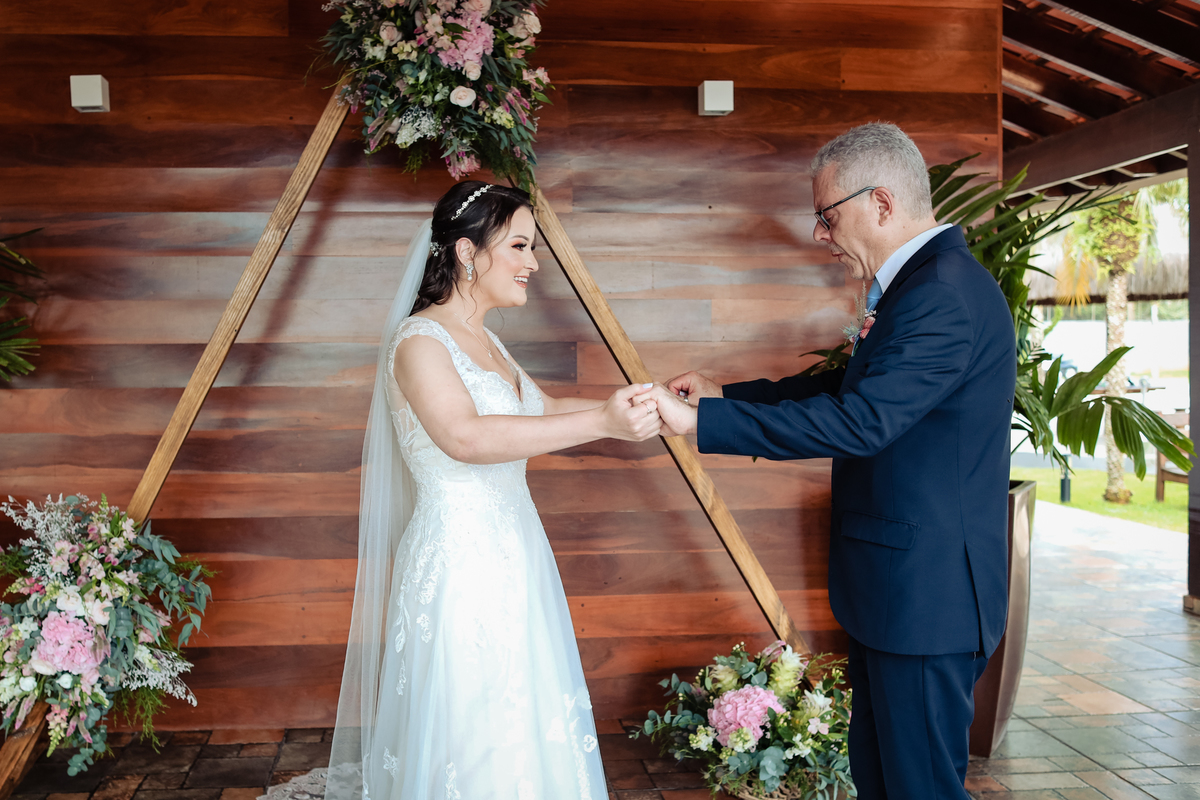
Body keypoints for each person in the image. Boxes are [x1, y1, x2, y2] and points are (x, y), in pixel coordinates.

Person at [649, 123, 1016, 800]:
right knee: (882, 782)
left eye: (827, 215)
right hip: (898, 592)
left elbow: (863, 421)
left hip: (927, 599)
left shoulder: (942, 294)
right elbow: (849, 390)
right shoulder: (920, 287)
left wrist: (705, 423)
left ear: (881, 203)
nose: (820, 234)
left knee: (920, 789)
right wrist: (726, 395)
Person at [325, 181, 662, 800]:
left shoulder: (487, 340)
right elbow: (465, 437)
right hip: (459, 561)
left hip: (516, 550)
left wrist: (638, 406)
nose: (533, 262)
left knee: (518, 717)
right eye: (519, 246)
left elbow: (541, 409)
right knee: (470, 723)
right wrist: (602, 423)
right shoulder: (419, 341)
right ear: (467, 252)